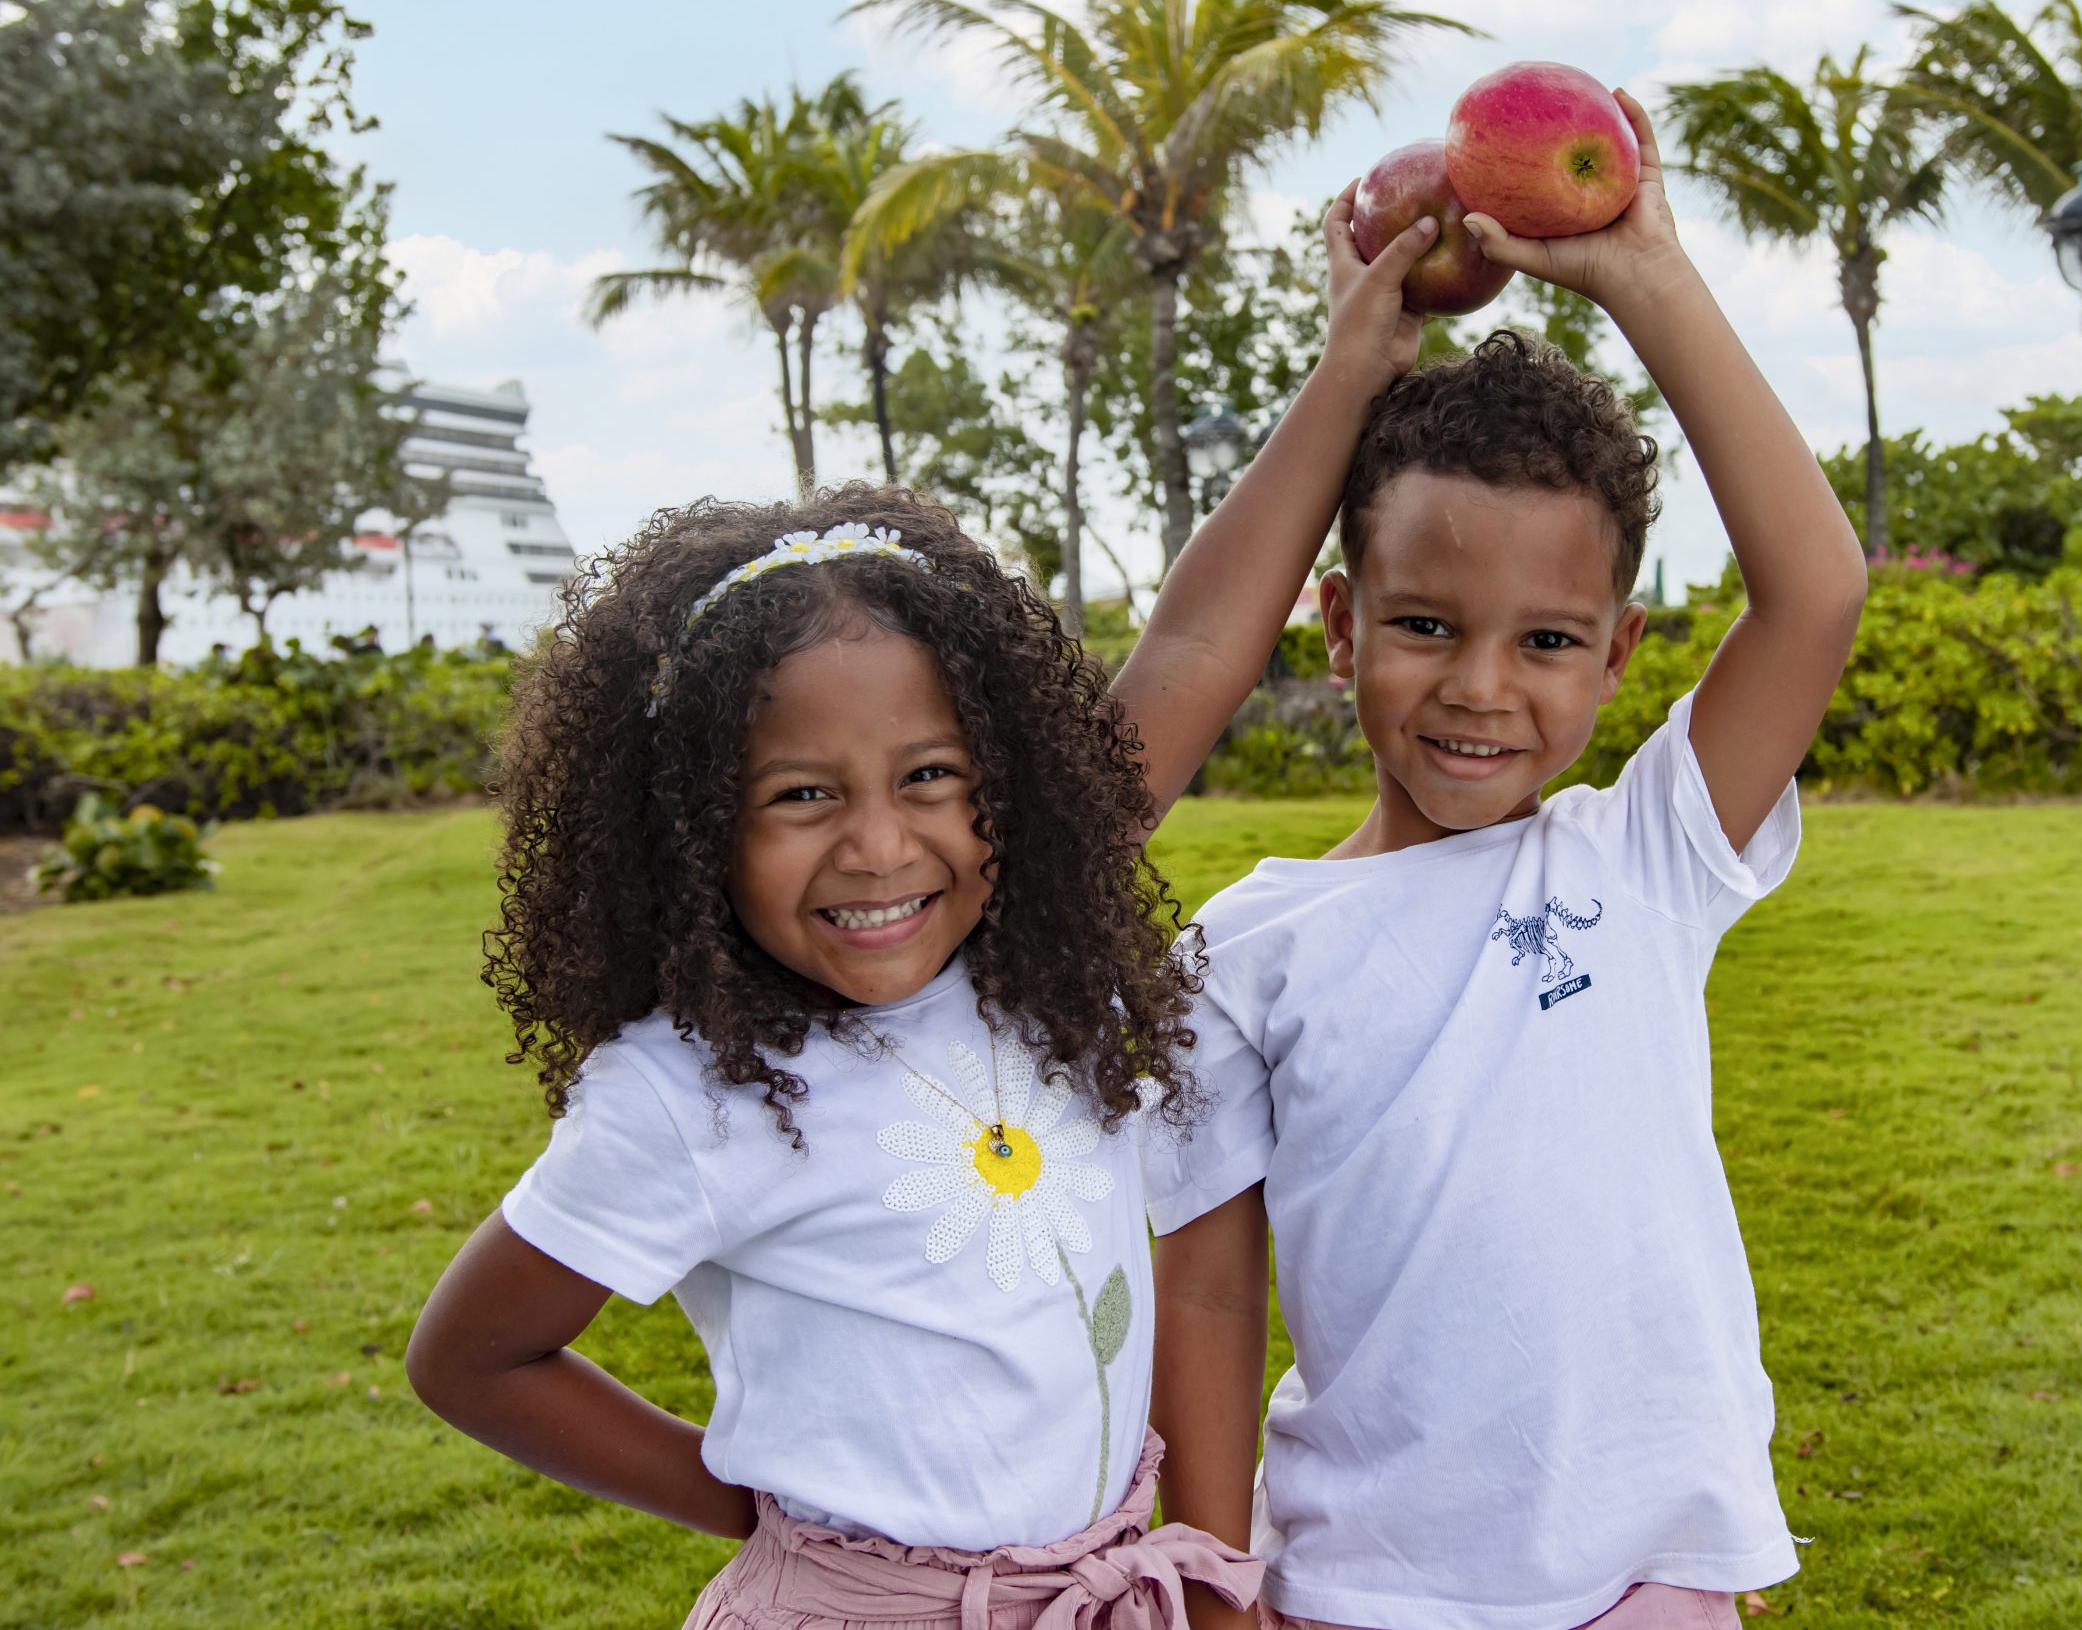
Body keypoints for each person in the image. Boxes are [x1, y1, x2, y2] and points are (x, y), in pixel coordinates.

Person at [402, 192, 1452, 1627]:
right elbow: (470, 1358)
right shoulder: (684, 1094)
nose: (882, 846)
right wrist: (760, 1507)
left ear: (1006, 782)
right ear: (689, 825)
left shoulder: (1036, 946)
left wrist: (1348, 375)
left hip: (1098, 1591)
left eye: (930, 776)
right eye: (799, 797)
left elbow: (1201, 640)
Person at [1146, 92, 1868, 1630]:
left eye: (1547, 642)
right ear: (1338, 629)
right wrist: (1212, 1591)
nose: (1482, 688)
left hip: (1653, 1584)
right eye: (1424, 627)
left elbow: (1814, 593)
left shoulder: (1648, 853)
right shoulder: (1244, 948)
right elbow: (1205, 1291)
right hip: (1360, 1589)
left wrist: (1642, 272)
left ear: (1621, 655)